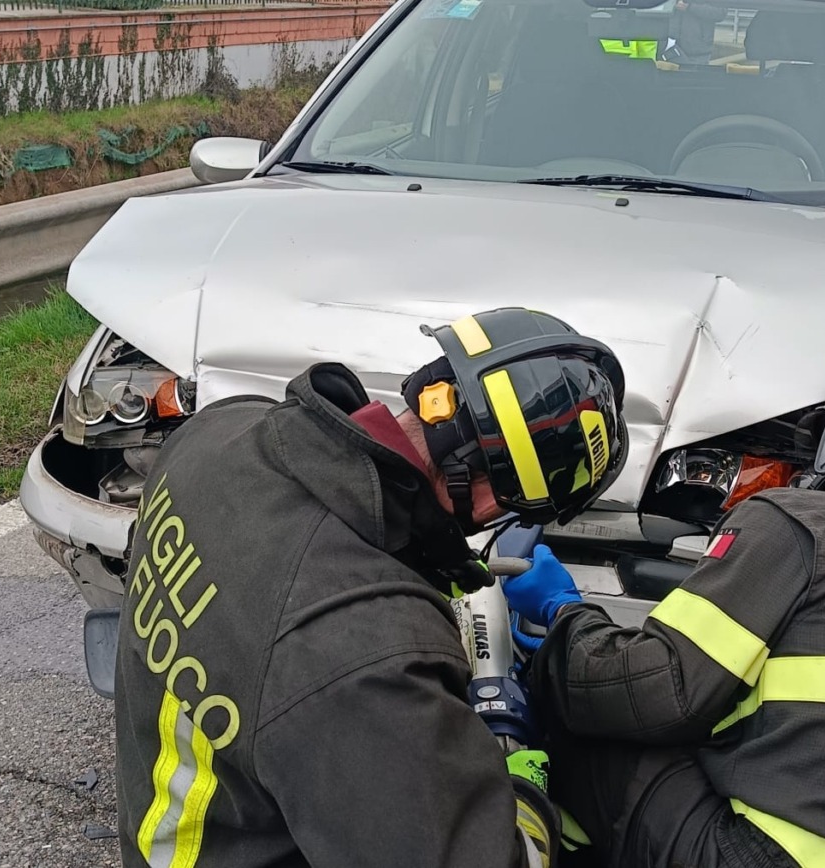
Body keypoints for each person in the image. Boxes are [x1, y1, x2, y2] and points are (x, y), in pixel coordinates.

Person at [112, 307, 628, 868]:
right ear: (488, 500)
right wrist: (518, 781)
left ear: (433, 384)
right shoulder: (368, 656)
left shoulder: (220, 431)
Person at [506, 383, 825, 868]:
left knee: (584, 726)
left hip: (763, 857)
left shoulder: (803, 518)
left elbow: (651, 692)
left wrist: (567, 618)